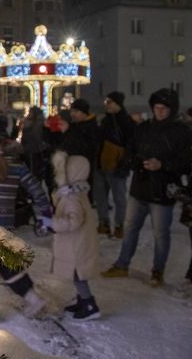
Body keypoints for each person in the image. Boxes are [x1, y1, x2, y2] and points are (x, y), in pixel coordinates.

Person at [102, 88, 192, 286]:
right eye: (156, 108)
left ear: (172, 109)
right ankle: (122, 264)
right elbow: (130, 150)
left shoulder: (181, 132)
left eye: (163, 108)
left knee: (161, 234)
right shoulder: (144, 128)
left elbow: (186, 162)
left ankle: (157, 271)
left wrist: (162, 165)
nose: (159, 112)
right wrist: (133, 162)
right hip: (140, 188)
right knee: (130, 227)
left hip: (162, 191)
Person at [0, 114, 53, 322]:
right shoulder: (16, 163)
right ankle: (33, 298)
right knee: (7, 264)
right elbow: (34, 187)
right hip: (6, 225)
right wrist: (45, 210)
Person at [50, 151, 101, 320]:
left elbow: (73, 221)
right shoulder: (75, 192)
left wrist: (52, 223)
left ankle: (89, 304)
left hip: (76, 245)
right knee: (76, 274)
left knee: (78, 275)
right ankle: (82, 299)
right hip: (76, 242)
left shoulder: (72, 197)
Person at [94, 91, 136, 237]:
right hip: (102, 164)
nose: (107, 104)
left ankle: (120, 226)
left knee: (119, 198)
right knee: (100, 196)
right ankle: (103, 223)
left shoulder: (127, 122)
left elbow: (132, 145)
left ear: (118, 104)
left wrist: (124, 164)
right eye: (106, 101)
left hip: (117, 165)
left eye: (110, 102)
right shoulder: (105, 120)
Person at [58, 99, 101, 201]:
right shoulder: (73, 126)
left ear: (84, 113)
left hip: (83, 172)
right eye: (71, 111)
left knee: (81, 201)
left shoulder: (92, 128)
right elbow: (58, 142)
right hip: (70, 169)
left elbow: (83, 147)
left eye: (76, 111)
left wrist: (68, 132)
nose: (73, 114)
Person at [20, 106, 47, 181]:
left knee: (32, 170)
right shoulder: (38, 123)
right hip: (34, 150)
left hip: (32, 150)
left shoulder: (36, 124)